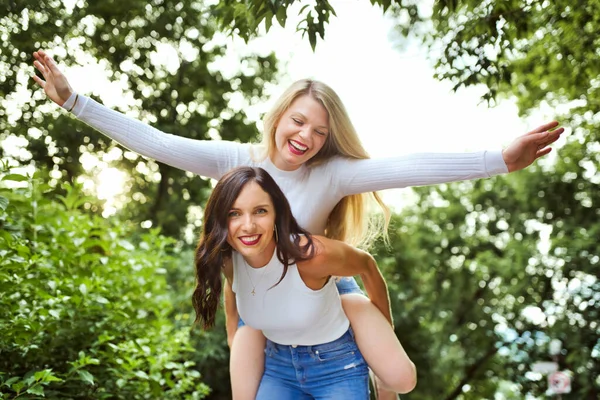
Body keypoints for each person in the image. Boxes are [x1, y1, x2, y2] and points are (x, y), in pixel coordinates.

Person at [32, 49, 565, 399]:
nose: (306, 136)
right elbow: (160, 143)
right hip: (266, 302)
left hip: (325, 287)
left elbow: (409, 167)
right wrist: (76, 102)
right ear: (280, 116)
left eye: (319, 130)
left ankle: (371, 365)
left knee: (388, 368)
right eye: (299, 121)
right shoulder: (237, 162)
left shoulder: (330, 174)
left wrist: (500, 158)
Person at [193, 166, 416, 399]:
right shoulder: (228, 258)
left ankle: (349, 307)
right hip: (280, 363)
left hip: (337, 361)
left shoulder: (312, 255)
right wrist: (233, 337)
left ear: (276, 214)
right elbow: (233, 289)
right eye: (233, 213)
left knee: (402, 380)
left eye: (260, 211)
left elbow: (367, 265)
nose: (248, 226)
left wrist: (383, 332)